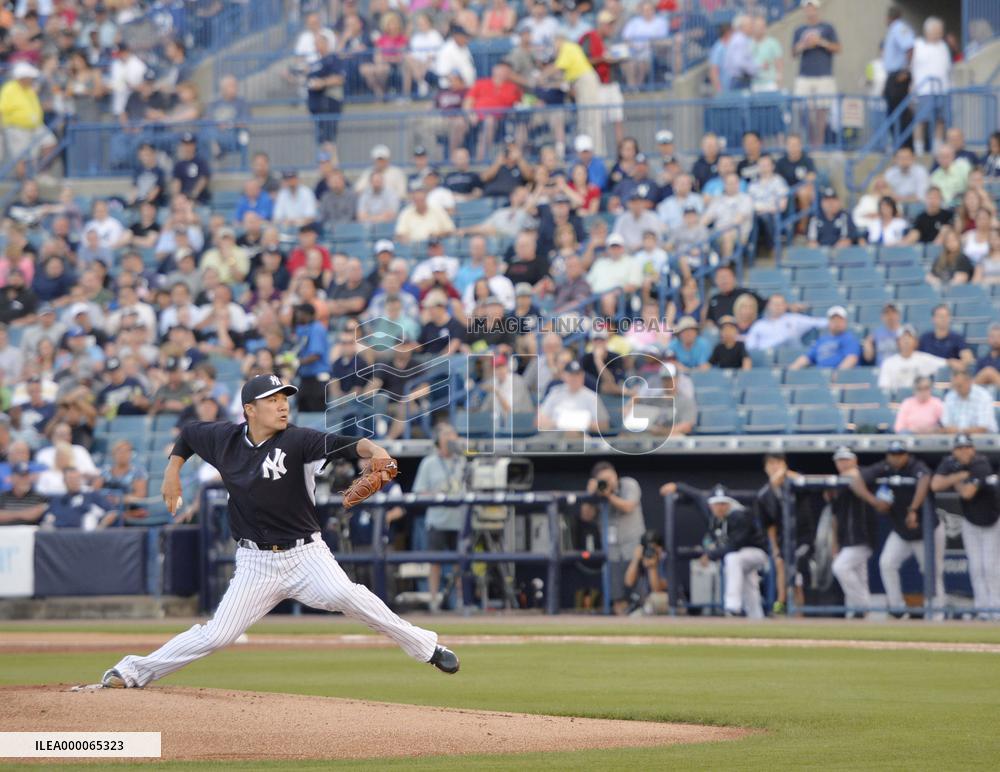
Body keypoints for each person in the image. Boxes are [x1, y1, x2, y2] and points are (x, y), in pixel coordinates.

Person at [100, 374, 460, 689]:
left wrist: (377, 449)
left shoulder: (298, 441)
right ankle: (133, 670)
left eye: (284, 399)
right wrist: (171, 472)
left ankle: (427, 647)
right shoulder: (224, 440)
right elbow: (190, 435)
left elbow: (351, 443)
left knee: (348, 595)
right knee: (218, 633)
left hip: (306, 556)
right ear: (249, 410)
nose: (282, 406)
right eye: (271, 401)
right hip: (256, 563)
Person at [857, 441, 942, 618]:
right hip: (902, 531)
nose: (896, 457)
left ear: (907, 455)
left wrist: (913, 509)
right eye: (893, 454)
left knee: (931, 571)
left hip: (926, 530)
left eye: (900, 454)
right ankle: (897, 609)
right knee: (887, 563)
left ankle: (936, 613)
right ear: (888, 455)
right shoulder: (885, 466)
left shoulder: (916, 465)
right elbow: (856, 481)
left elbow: (925, 479)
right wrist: (874, 501)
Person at [932, 434, 1000, 619]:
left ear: (973, 449)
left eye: (967, 447)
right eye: (960, 448)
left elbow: (967, 493)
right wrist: (960, 476)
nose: (964, 451)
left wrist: (954, 481)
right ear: (954, 451)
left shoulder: (981, 463)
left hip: (992, 520)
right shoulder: (950, 463)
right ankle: (983, 609)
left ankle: (996, 608)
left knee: (991, 567)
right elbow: (935, 484)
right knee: (976, 567)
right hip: (970, 521)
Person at [412, 422, 466, 613]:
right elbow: (418, 492)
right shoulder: (429, 462)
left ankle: (461, 601)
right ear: (438, 440)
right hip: (437, 519)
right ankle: (434, 599)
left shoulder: (463, 461)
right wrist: (437, 494)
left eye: (453, 435)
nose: (451, 439)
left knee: (460, 562)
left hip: (459, 520)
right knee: (434, 562)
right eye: (447, 435)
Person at [585, 461, 646, 614]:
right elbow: (586, 516)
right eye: (604, 479)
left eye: (611, 477)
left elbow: (628, 506)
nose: (609, 482)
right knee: (617, 595)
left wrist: (608, 496)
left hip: (633, 545)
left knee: (639, 591)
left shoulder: (628, 484)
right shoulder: (597, 492)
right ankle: (623, 624)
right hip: (611, 549)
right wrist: (590, 495)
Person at [830, 447, 879, 617]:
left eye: (846, 459)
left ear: (854, 460)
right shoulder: (837, 484)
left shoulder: (863, 474)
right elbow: (834, 516)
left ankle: (863, 606)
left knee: (840, 568)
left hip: (863, 536)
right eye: (839, 460)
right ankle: (863, 616)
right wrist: (834, 542)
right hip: (846, 538)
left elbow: (855, 476)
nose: (843, 463)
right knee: (859, 577)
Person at [791, 0, 840, 147]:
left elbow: (837, 48)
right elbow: (793, 52)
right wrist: (804, 45)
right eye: (807, 8)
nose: (810, 11)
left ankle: (818, 145)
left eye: (812, 8)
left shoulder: (828, 28)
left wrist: (820, 42)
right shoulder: (799, 30)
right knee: (801, 110)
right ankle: (808, 142)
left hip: (823, 75)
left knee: (821, 113)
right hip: (805, 76)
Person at [911, 17, 951, 157]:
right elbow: (912, 66)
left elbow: (947, 67)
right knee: (921, 120)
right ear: (928, 31)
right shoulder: (917, 45)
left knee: (940, 120)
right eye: (937, 30)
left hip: (942, 89)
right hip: (924, 90)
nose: (940, 33)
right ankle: (919, 149)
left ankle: (937, 149)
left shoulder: (943, 47)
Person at [881, 6, 915, 149]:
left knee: (900, 113)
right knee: (892, 111)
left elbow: (909, 48)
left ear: (889, 17)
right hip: (892, 76)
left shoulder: (899, 28)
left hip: (899, 75)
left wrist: (906, 71)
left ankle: (905, 145)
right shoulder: (893, 30)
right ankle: (897, 143)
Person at [745, 294, 826, 352]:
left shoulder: (795, 319)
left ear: (785, 306)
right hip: (765, 359)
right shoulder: (759, 325)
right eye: (775, 304)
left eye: (781, 304)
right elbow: (750, 346)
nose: (778, 307)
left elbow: (817, 322)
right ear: (768, 306)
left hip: (790, 356)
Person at [877, 325, 945, 391]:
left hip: (918, 400)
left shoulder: (923, 359)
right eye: (903, 338)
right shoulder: (888, 363)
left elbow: (945, 363)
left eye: (909, 337)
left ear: (916, 342)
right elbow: (884, 387)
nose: (906, 340)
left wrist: (952, 362)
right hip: (896, 401)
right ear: (897, 342)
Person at [622, 530, 668, 615]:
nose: (649, 551)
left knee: (654, 599)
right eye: (647, 548)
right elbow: (628, 582)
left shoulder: (666, 561)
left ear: (660, 548)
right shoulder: (641, 561)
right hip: (647, 605)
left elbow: (657, 589)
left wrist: (652, 567)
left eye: (653, 548)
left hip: (668, 602)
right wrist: (635, 559)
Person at [941, 367, 999, 435]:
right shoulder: (950, 396)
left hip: (985, 440)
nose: (956, 389)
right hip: (957, 441)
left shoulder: (983, 396)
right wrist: (960, 431)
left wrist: (959, 431)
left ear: (969, 382)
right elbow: (946, 426)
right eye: (954, 385)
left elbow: (982, 428)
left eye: (959, 385)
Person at [918, 304, 974, 369]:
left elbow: (968, 358)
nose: (943, 319)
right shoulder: (925, 338)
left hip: (948, 375)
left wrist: (960, 363)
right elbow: (917, 358)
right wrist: (948, 362)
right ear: (933, 319)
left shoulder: (957, 338)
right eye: (940, 316)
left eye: (946, 316)